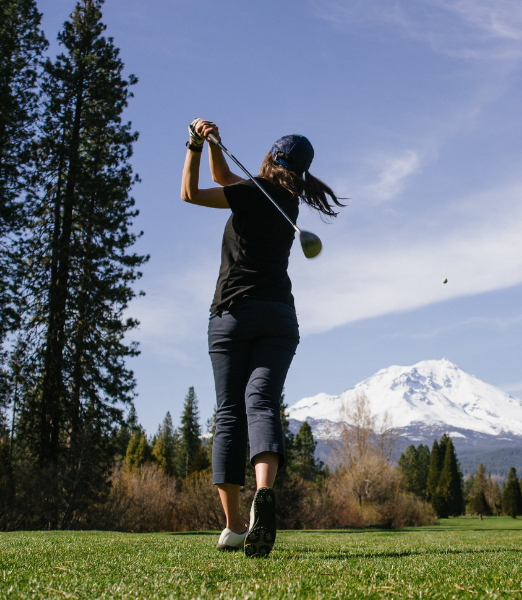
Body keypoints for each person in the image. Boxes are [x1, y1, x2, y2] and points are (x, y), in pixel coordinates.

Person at [180, 119, 343, 557]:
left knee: (230, 411)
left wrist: (194, 146)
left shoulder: (254, 194)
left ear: (270, 157)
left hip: (233, 314)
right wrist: (214, 143)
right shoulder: (286, 202)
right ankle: (264, 492)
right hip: (279, 318)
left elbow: (193, 192)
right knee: (262, 404)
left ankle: (234, 524)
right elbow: (226, 178)